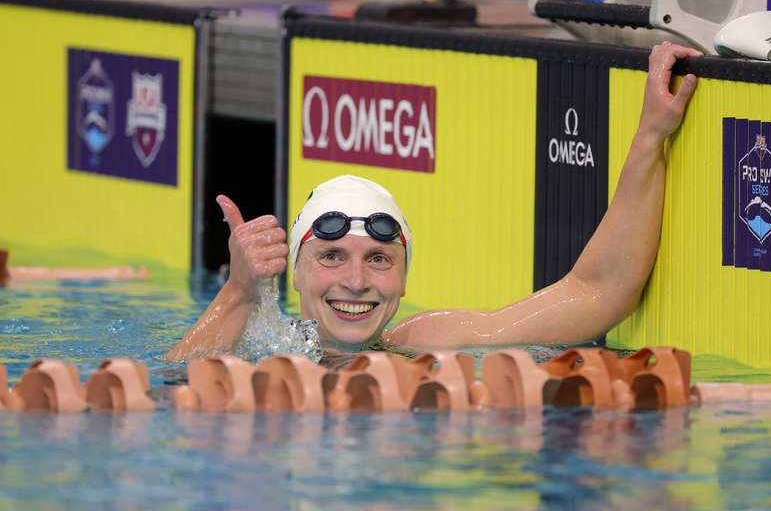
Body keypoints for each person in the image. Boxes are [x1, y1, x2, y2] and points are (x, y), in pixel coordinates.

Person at [166, 42, 700, 361]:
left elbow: (596, 292)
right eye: (331, 257)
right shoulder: (266, 356)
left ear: (404, 277)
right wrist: (239, 291)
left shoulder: (430, 343)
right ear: (297, 275)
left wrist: (651, 134)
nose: (356, 281)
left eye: (379, 259)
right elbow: (170, 388)